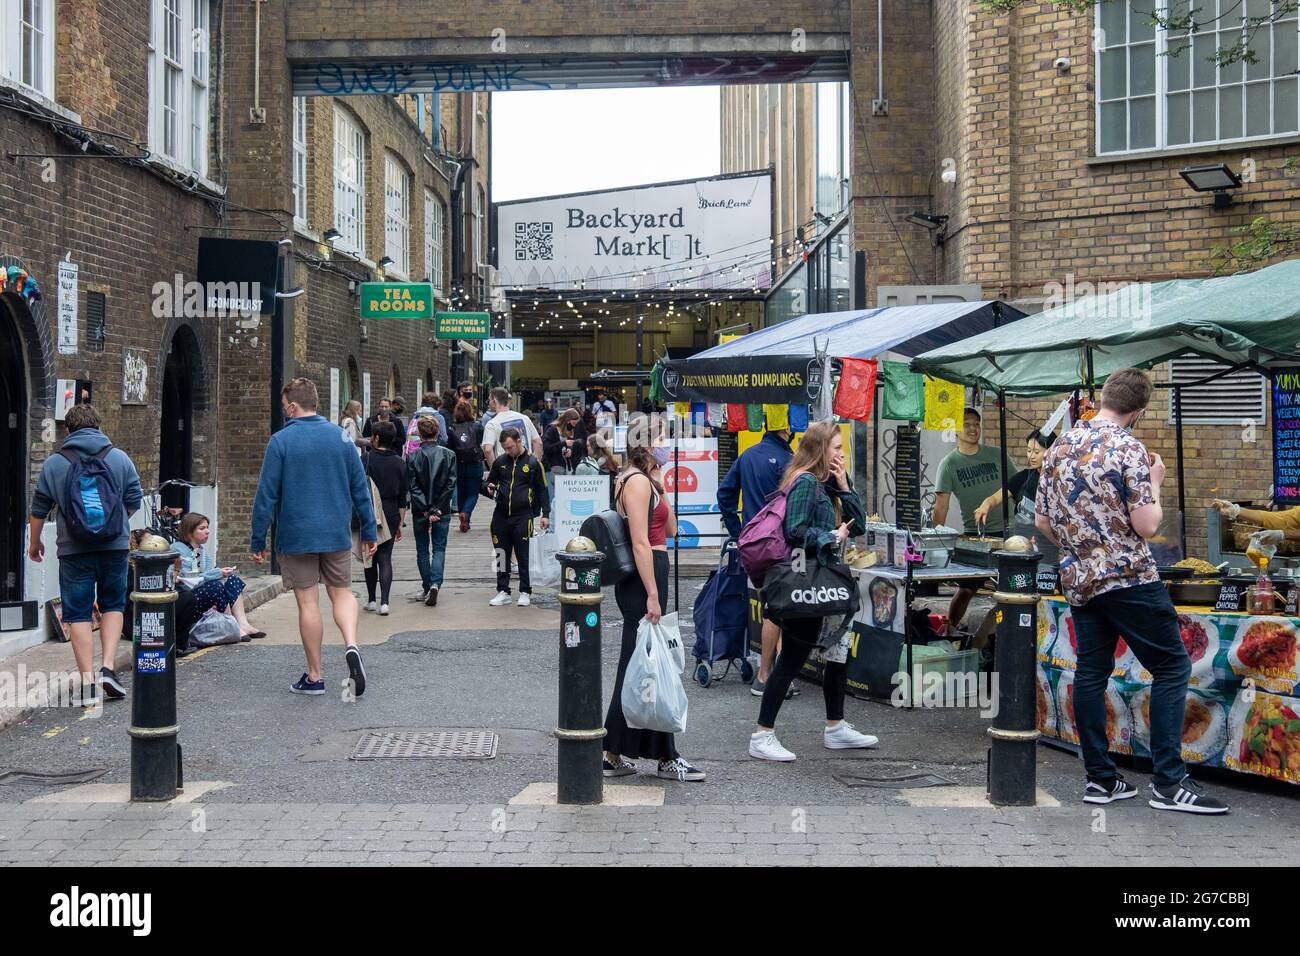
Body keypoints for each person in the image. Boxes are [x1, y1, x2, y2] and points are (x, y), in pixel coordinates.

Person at [1036, 368, 1228, 814]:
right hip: (1129, 578)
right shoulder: (1130, 448)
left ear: (1104, 398)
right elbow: (1148, 524)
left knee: (1090, 672)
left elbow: (1043, 521)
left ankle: (1101, 781)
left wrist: (1080, 548)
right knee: (1172, 666)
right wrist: (1156, 483)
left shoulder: (1059, 446)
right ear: (1138, 412)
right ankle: (1168, 783)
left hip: (1080, 580)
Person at [748, 420, 878, 762]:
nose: (841, 453)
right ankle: (762, 734)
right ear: (820, 450)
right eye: (836, 448)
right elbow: (795, 530)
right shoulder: (805, 482)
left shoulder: (825, 483)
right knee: (792, 658)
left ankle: (835, 726)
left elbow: (860, 525)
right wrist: (830, 537)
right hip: (805, 579)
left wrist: (844, 484)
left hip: (825, 579)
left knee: (837, 655)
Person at [251, 378, 376, 697]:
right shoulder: (341, 439)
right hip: (335, 533)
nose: (284, 412)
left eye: (284, 407)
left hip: (296, 535)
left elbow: (266, 496)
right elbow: (360, 487)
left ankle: (316, 675)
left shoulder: (280, 442)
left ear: (293, 406)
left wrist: (257, 540)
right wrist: (369, 530)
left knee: (308, 602)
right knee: (342, 593)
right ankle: (351, 644)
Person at [600, 436, 705, 782]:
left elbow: (671, 529)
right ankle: (663, 756)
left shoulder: (647, 481)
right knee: (646, 666)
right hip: (643, 581)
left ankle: (615, 752)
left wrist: (662, 484)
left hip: (651, 575)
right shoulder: (636, 483)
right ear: (643, 445)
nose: (666, 444)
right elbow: (642, 542)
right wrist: (653, 594)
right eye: (660, 439)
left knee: (642, 666)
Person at [28, 403, 142, 706]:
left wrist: (34, 543)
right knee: (113, 604)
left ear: (69, 429)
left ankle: (89, 683)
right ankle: (107, 668)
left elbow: (39, 509)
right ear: (99, 425)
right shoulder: (119, 458)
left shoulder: (55, 463)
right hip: (114, 547)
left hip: (73, 549)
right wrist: (113, 525)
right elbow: (134, 500)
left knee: (77, 612)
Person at [717, 426, 795, 699]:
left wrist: (738, 532)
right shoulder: (788, 461)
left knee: (771, 605)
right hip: (780, 544)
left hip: (753, 545)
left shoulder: (747, 455)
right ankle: (771, 676)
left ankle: (776, 674)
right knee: (780, 608)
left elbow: (724, 495)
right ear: (786, 427)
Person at [933, 407, 1009, 634]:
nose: (973, 428)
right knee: (966, 589)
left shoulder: (997, 455)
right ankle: (950, 630)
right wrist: (936, 540)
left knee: (1009, 590)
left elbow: (1014, 486)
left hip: (1008, 532)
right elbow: (942, 505)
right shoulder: (949, 464)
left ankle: (997, 633)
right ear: (955, 429)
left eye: (976, 423)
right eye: (966, 424)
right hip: (976, 536)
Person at [974, 428, 1059, 567]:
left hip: (1050, 552)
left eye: (1037, 452)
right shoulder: (1023, 477)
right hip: (1021, 549)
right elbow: (995, 498)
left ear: (1051, 451)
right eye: (1029, 450)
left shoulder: (1060, 481)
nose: (1031, 456)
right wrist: (986, 505)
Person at [171, 513, 264, 640]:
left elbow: (207, 574)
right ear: (189, 531)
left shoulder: (202, 551)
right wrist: (218, 573)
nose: (207, 531)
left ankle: (243, 624)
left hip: (201, 597)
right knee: (215, 586)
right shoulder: (177, 549)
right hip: (186, 602)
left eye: (207, 527)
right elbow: (189, 580)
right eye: (202, 528)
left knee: (233, 580)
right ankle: (232, 627)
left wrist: (222, 573)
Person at [484, 428, 549, 607]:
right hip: (501, 515)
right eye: (505, 448)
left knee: (523, 555)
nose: (508, 451)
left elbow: (543, 490)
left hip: (523, 515)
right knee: (501, 554)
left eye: (510, 447)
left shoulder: (533, 463)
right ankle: (503, 590)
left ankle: (525, 591)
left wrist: (546, 514)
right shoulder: (500, 462)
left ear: (519, 441)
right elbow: (488, 483)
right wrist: (488, 488)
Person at [407, 417, 457, 607]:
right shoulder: (449, 455)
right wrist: (437, 507)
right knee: (439, 548)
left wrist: (426, 509)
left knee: (422, 549)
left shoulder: (413, 456)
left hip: (421, 510)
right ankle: (435, 583)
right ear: (438, 432)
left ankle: (428, 586)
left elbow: (413, 487)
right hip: (442, 509)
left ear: (420, 434)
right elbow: (450, 484)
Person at [363, 421, 408, 615]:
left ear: (377, 438)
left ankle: (372, 599)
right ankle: (385, 603)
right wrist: (400, 522)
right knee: (385, 556)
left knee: (370, 557)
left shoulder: (366, 459)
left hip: (369, 510)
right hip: (390, 511)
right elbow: (403, 497)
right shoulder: (400, 463)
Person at [449, 399, 486, 534]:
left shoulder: (452, 428)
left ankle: (465, 520)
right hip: (475, 464)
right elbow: (481, 443)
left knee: (461, 493)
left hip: (459, 465)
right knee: (473, 493)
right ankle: (465, 513)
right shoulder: (477, 426)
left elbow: (450, 448)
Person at [482, 387, 544, 467]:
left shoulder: (492, 424)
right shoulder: (524, 418)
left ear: (494, 401)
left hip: (505, 472)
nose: (489, 403)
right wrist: (535, 466)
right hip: (526, 469)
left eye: (489, 400)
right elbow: (538, 443)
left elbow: (488, 449)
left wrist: (494, 471)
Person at [542, 408, 581, 505]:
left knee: (561, 499)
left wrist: (568, 451)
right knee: (554, 500)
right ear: (567, 420)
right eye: (573, 424)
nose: (573, 427)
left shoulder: (564, 431)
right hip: (552, 468)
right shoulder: (552, 429)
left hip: (562, 467)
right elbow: (547, 448)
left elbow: (558, 449)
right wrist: (563, 444)